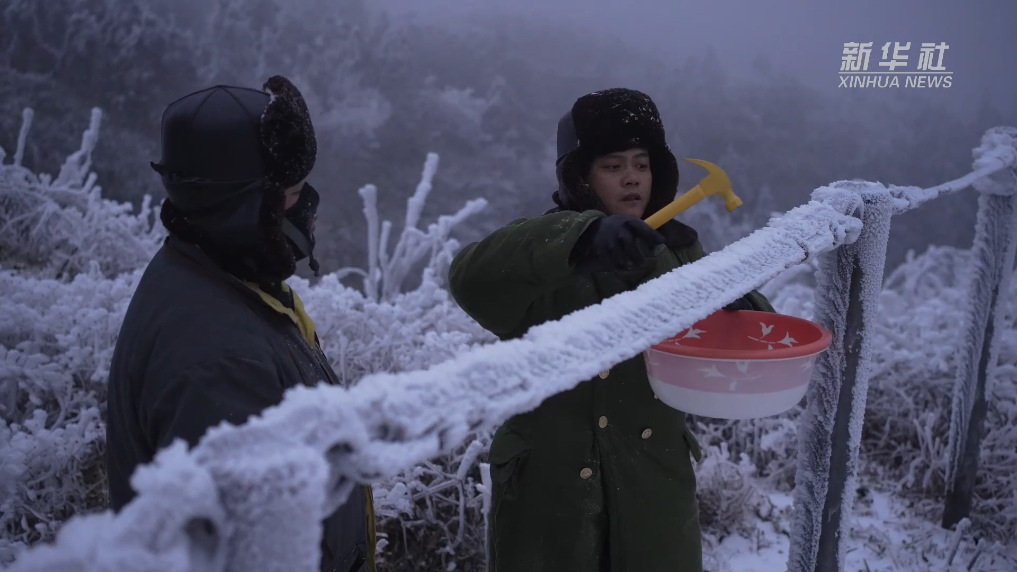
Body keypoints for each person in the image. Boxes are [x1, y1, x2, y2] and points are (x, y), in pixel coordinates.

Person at [448, 88, 774, 572]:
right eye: (612, 165)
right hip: (548, 503)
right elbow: (470, 276)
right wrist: (583, 240)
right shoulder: (547, 252)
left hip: (652, 496)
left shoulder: (681, 253)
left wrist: (734, 299)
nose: (631, 179)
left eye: (641, 165)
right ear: (579, 176)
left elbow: (753, 333)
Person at [105, 76, 376, 572]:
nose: (310, 209)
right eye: (292, 193)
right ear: (243, 207)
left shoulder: (219, 278)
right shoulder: (217, 358)